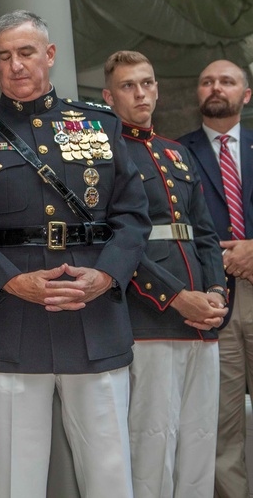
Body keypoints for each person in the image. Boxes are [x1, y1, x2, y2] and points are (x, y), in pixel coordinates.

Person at [0, 10, 149, 498]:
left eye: (27, 52)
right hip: (10, 319)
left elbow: (133, 216)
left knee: (110, 474)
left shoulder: (99, 125)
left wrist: (108, 276)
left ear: (49, 55)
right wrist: (11, 281)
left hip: (92, 314)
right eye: (5, 56)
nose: (16, 65)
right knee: (14, 481)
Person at [102, 50, 227, 497]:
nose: (141, 93)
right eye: (128, 85)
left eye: (148, 83)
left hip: (203, 319)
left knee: (199, 441)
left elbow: (206, 235)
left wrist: (216, 293)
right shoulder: (102, 153)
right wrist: (174, 297)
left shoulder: (176, 152)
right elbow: (113, 241)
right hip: (150, 316)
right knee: (152, 441)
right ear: (109, 95)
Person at [177, 59, 253, 498]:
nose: (215, 87)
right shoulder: (175, 151)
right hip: (214, 298)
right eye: (206, 81)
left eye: (227, 81)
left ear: (246, 95)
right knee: (222, 427)